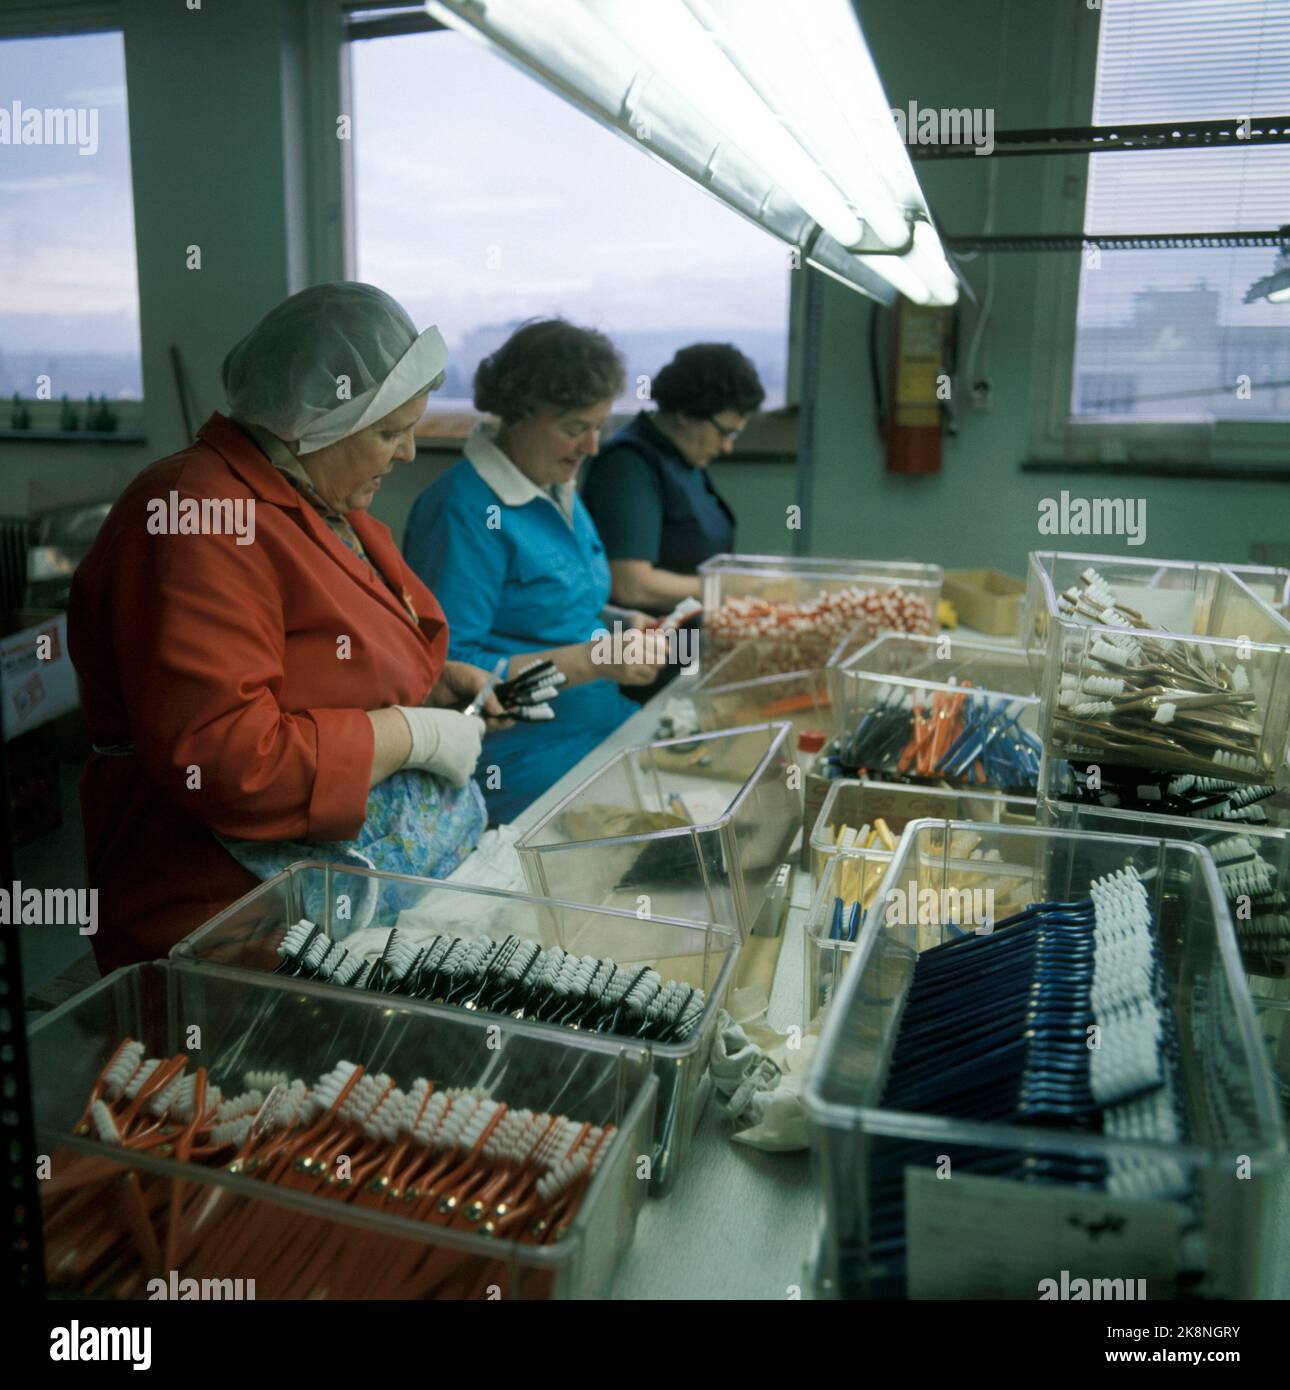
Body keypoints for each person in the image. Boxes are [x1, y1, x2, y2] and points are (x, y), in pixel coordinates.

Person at [69, 283, 504, 971]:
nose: (409, 454)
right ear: (316, 422)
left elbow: (334, 647)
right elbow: (220, 757)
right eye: (391, 432)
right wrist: (407, 733)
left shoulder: (315, 498)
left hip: (324, 902)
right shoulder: (197, 513)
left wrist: (430, 686)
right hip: (225, 914)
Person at [403, 319, 668, 824]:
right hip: (524, 764)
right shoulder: (464, 511)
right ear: (517, 415)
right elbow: (448, 672)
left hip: (600, 726)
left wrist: (618, 622)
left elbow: (549, 603)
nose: (592, 447)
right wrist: (592, 661)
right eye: (574, 428)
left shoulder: (553, 485)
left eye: (600, 426)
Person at [581, 342, 765, 614]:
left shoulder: (685, 458)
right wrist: (728, 587)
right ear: (685, 415)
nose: (727, 447)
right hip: (650, 644)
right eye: (724, 432)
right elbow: (630, 585)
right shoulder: (627, 464)